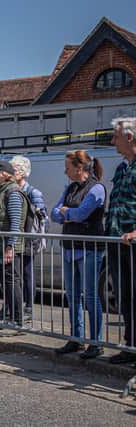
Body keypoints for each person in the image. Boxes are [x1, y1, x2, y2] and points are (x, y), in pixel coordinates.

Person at [51, 151, 106, 359]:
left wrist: (67, 213)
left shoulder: (96, 188)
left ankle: (96, 342)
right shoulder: (70, 188)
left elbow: (83, 213)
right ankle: (76, 338)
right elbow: (54, 213)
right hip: (69, 246)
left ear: (79, 168)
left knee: (91, 296)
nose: (65, 171)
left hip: (89, 247)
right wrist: (67, 214)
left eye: (68, 167)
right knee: (72, 295)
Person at [105, 117, 136, 365]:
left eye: (115, 136)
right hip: (117, 241)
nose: (111, 140)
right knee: (124, 296)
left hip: (133, 243)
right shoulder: (122, 167)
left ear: (129, 137)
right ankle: (131, 345)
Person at [0, 161, 28, 325]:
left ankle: (17, 319)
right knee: (6, 281)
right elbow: (0, 217)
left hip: (9, 245)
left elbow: (15, 222)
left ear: (6, 175)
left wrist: (10, 247)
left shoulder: (13, 192)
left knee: (12, 281)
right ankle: (10, 315)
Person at [10, 155, 47, 317]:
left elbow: (42, 216)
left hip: (29, 237)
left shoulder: (33, 192)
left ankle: (29, 306)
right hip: (17, 236)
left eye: (15, 170)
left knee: (27, 271)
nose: (12, 172)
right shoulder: (12, 190)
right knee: (14, 272)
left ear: (23, 172)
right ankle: (13, 305)